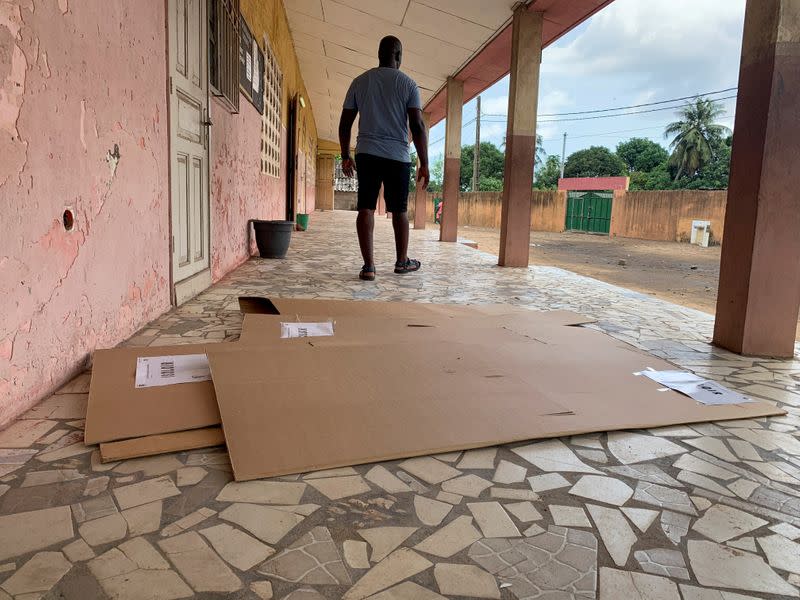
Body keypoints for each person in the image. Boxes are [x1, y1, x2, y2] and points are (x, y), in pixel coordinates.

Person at [338, 35, 429, 281]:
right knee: (399, 210)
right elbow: (417, 126)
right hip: (398, 156)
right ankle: (402, 262)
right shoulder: (409, 84)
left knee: (365, 207)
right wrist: (425, 163)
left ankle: (368, 267)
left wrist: (345, 155)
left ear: (379, 54)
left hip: (367, 152)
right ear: (398, 56)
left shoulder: (360, 81)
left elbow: (345, 124)